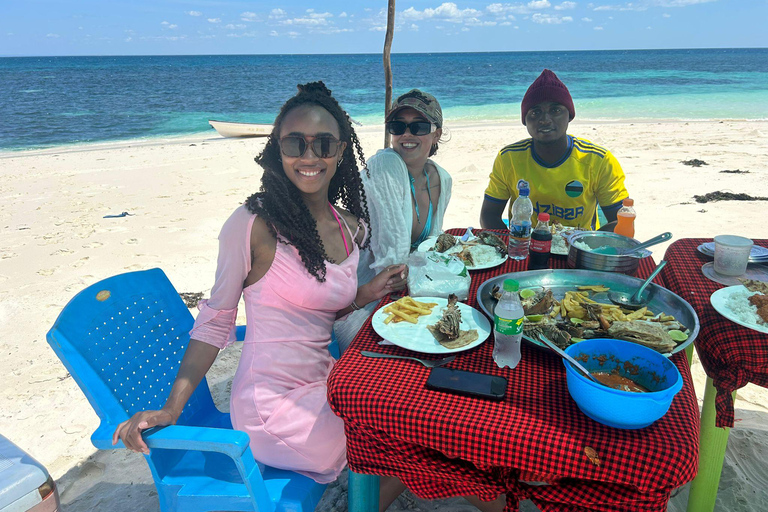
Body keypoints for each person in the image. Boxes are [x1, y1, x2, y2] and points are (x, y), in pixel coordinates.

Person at [112, 82, 409, 508]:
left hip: (326, 379)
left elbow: (321, 307)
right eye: (295, 143)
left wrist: (367, 292)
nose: (309, 156)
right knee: (391, 438)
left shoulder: (349, 226)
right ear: (277, 149)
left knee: (407, 422)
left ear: (341, 151)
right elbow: (214, 322)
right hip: (272, 407)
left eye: (323, 143)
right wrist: (171, 409)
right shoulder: (254, 226)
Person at [333, 89, 452, 353]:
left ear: (437, 133)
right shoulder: (385, 165)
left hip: (409, 290)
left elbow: (431, 242)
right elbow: (391, 263)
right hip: (364, 297)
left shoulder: (442, 179)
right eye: (398, 127)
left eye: (419, 126)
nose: (407, 135)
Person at [480, 69, 629, 231]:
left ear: (569, 116)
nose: (545, 120)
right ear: (525, 120)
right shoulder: (509, 158)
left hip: (578, 248)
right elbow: (489, 215)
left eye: (555, 110)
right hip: (527, 247)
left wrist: (586, 246)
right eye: (535, 112)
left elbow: (621, 221)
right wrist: (514, 245)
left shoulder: (598, 160)